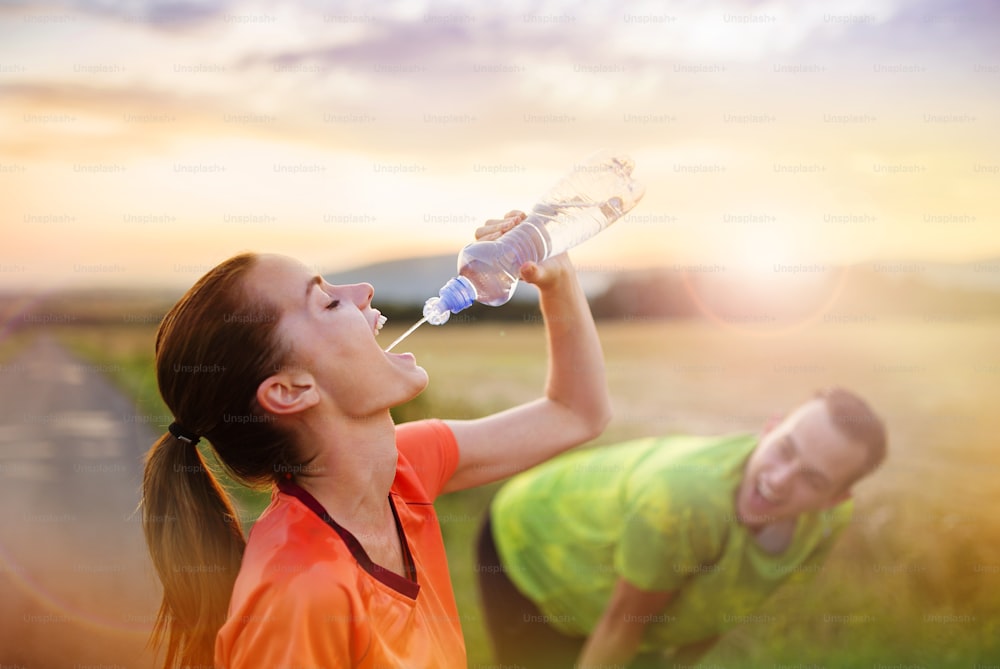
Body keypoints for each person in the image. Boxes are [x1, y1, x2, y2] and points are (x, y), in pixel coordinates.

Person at [140, 211, 612, 668]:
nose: (363, 291)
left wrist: (557, 275)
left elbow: (576, 413)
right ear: (290, 390)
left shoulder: (405, 469)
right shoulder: (299, 592)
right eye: (326, 301)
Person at [477, 388, 888, 668]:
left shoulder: (826, 525)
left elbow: (729, 604)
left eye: (813, 480)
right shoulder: (683, 500)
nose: (779, 480)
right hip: (529, 540)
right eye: (784, 448)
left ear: (835, 499)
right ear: (768, 429)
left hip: (622, 578)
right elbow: (623, 623)